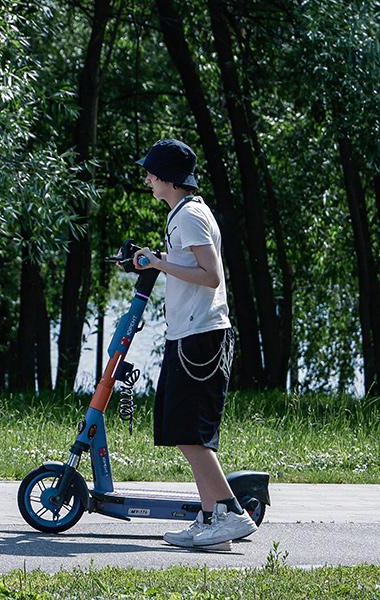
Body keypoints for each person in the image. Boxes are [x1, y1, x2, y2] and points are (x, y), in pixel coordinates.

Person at [131, 138, 257, 548]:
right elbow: (190, 267)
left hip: (201, 337)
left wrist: (158, 262)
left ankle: (231, 513)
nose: (148, 178)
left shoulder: (189, 217)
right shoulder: (183, 214)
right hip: (189, 334)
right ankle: (210, 522)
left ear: (168, 177)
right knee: (184, 430)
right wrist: (154, 260)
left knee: (190, 432)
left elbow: (211, 275)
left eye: (152, 172)